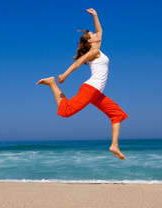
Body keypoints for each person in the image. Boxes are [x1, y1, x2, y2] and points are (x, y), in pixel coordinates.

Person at [36, 8, 128, 159]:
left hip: (96, 93)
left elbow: (100, 30)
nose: (97, 34)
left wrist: (95, 15)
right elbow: (78, 62)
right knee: (66, 112)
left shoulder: (98, 47)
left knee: (117, 114)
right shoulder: (94, 51)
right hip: (90, 89)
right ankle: (52, 83)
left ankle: (114, 145)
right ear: (91, 41)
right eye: (93, 35)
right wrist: (64, 75)